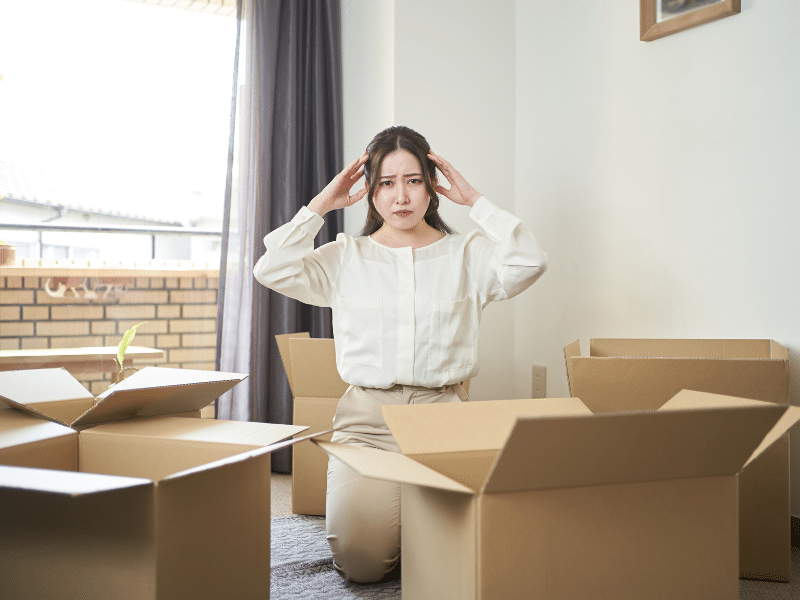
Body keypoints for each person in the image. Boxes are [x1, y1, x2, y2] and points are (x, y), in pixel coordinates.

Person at [253, 125, 547, 583]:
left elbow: (530, 261)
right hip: (367, 423)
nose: (401, 196)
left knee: (473, 561)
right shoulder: (345, 256)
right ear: (369, 191)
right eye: (386, 183)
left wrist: (476, 202)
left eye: (413, 180)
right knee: (362, 563)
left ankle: (416, 515)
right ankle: (398, 513)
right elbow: (271, 268)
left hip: (445, 420)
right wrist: (321, 206)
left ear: (432, 186)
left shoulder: (466, 254)